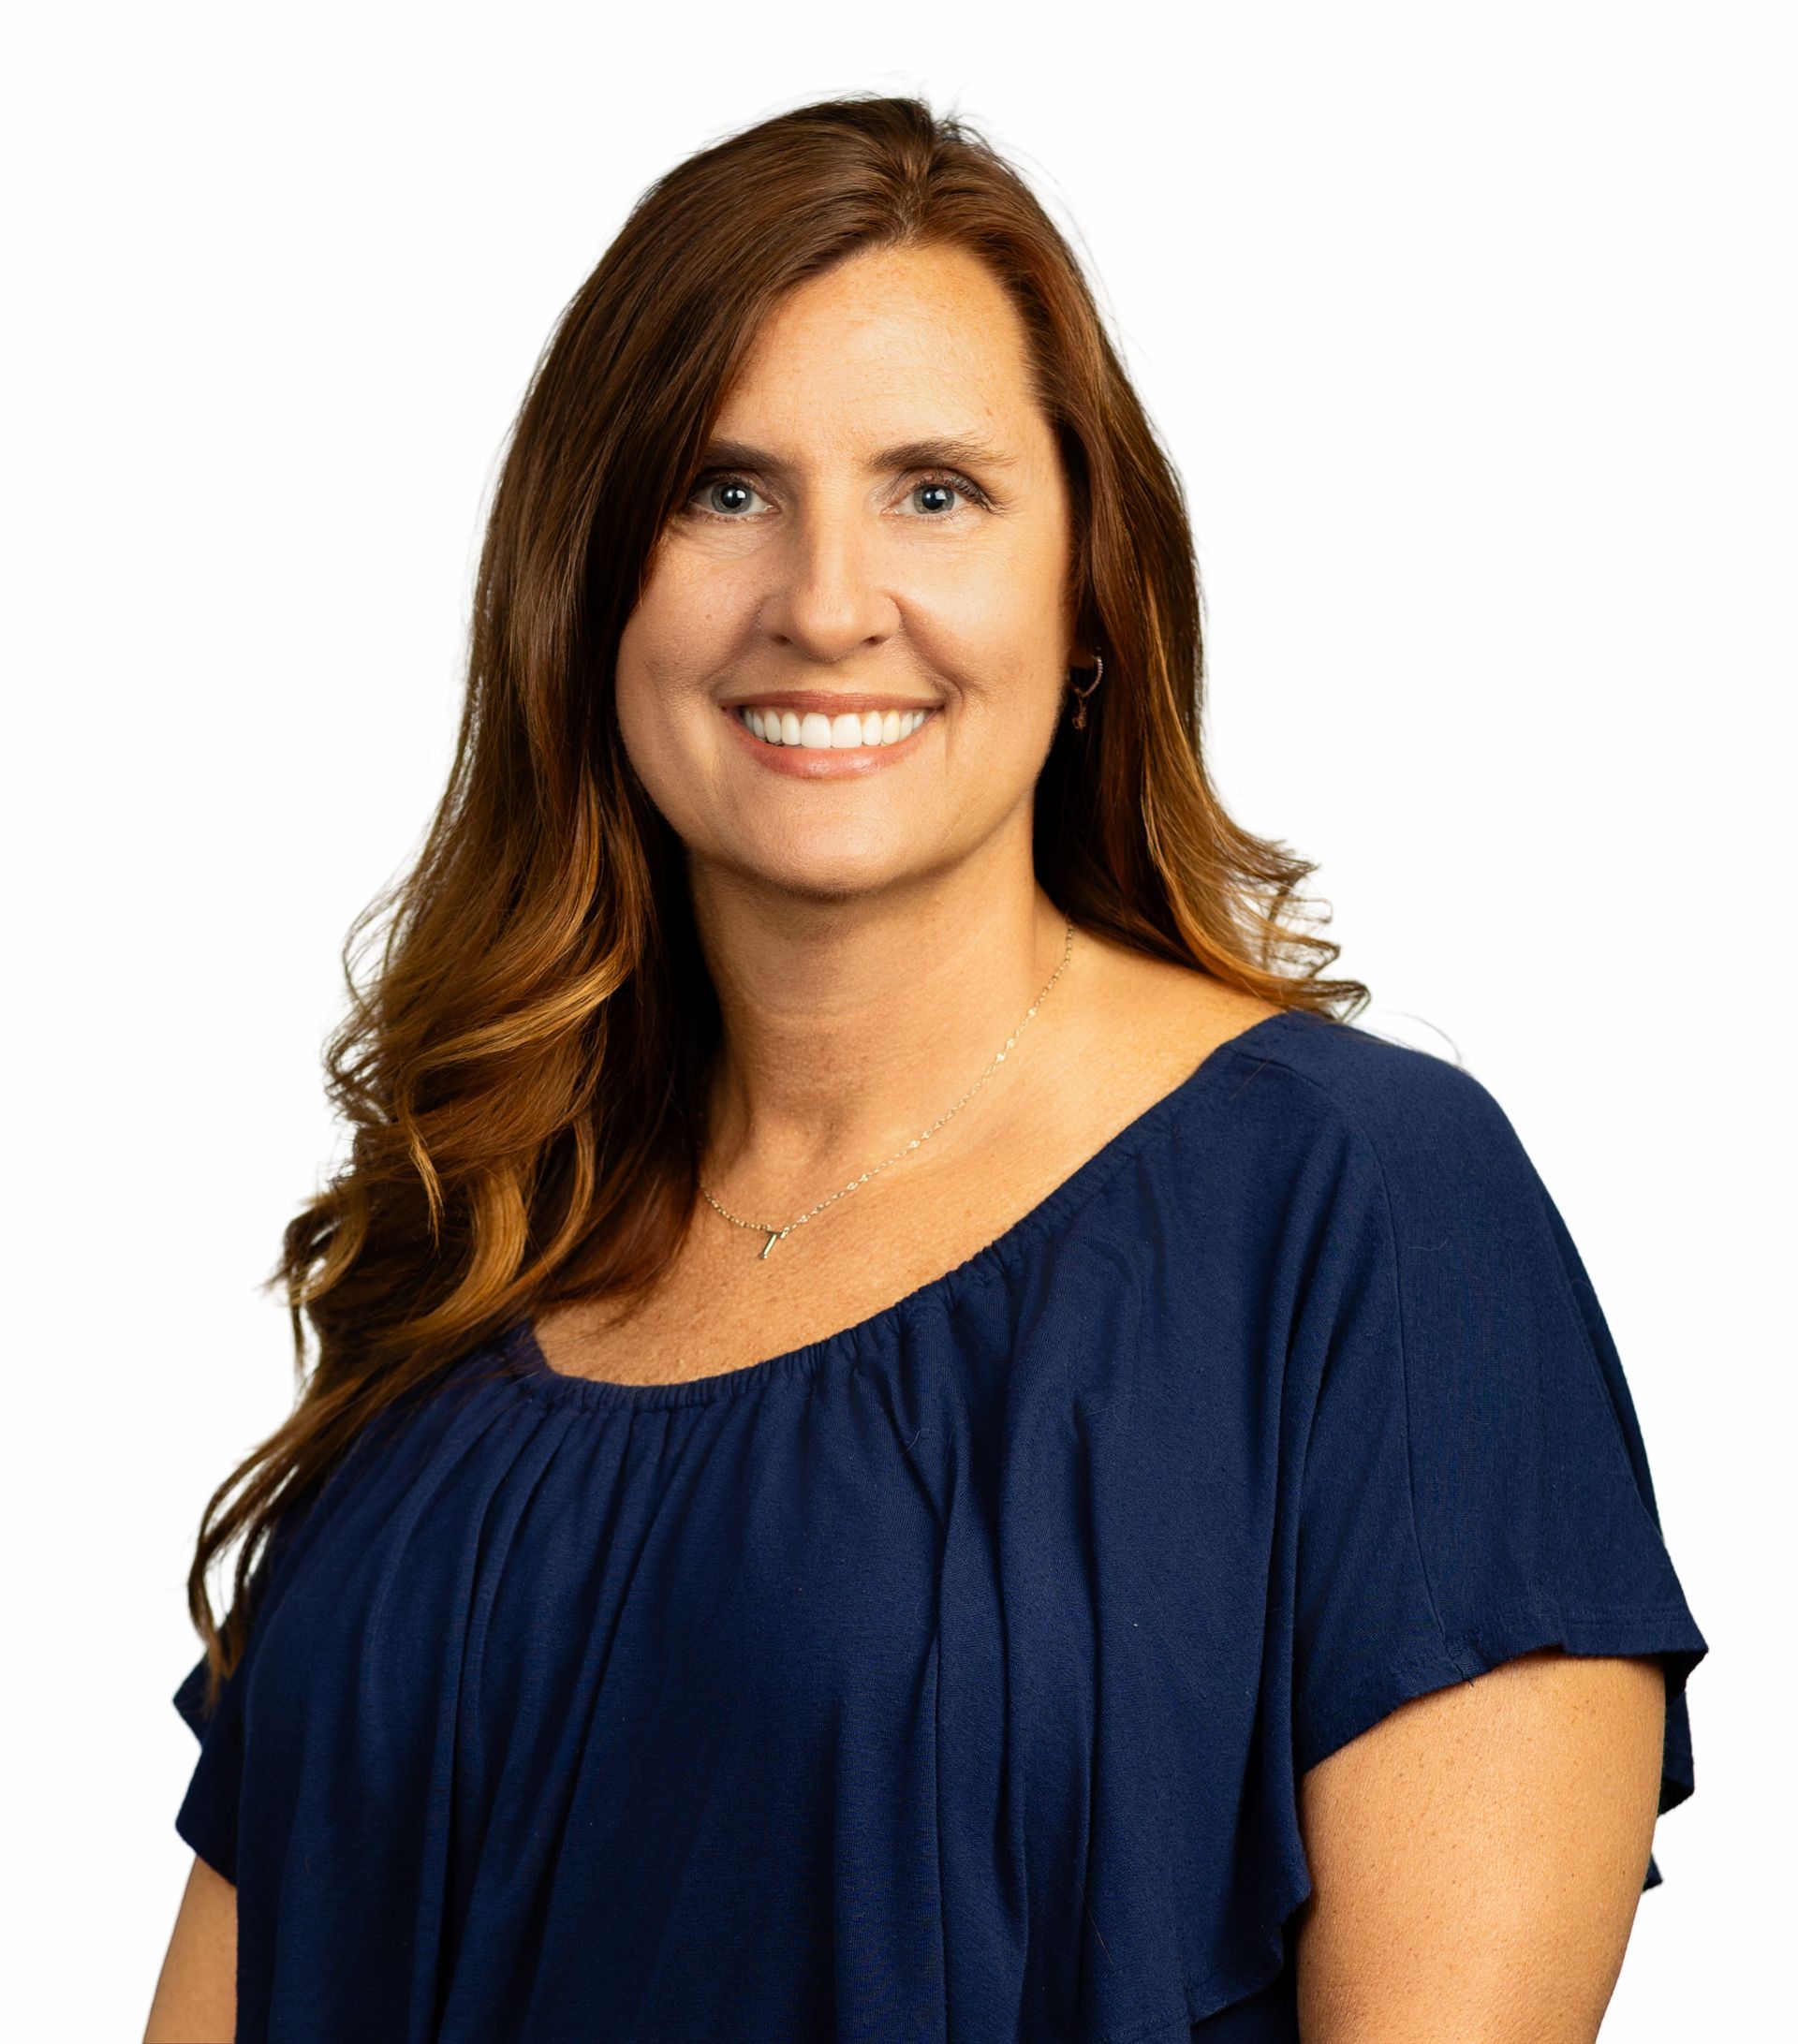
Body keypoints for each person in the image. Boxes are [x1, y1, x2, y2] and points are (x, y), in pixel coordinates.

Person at [146, 94, 1706, 2044]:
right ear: (586, 590)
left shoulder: (1364, 1218)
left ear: (1089, 605)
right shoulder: (480, 1250)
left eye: (937, 491)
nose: (822, 601)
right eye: (723, 488)